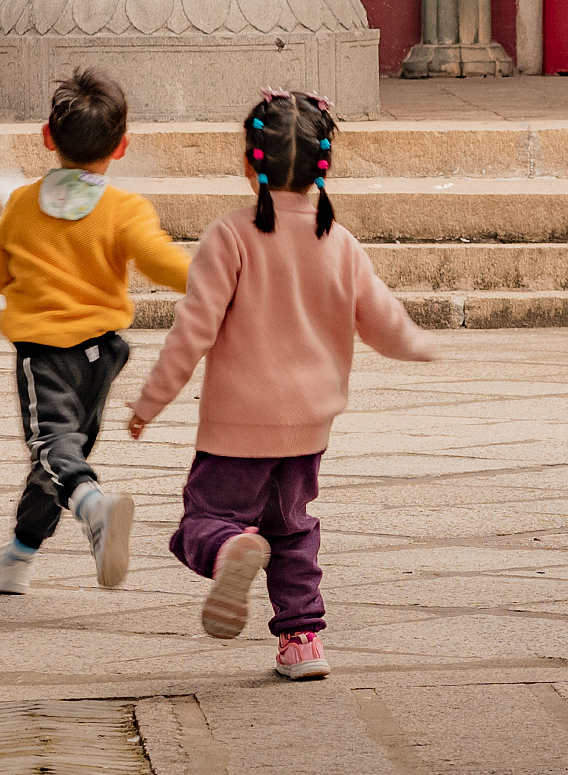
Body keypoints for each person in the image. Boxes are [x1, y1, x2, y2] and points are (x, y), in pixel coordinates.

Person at [127, 88, 437, 679]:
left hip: (236, 427)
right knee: (292, 529)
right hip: (308, 426)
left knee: (204, 520)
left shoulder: (230, 235)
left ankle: (228, 550)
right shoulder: (339, 242)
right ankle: (303, 642)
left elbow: (192, 332)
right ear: (325, 164)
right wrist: (420, 346)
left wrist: (150, 403)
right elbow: (383, 321)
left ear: (250, 163)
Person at [0, 67, 190, 596]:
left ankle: (94, 507)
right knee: (60, 457)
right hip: (103, 355)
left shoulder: (23, 205)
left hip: (43, 352)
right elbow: (163, 262)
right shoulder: (125, 210)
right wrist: (220, 278)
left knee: (52, 450)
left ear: (47, 137)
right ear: (121, 147)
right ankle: (20, 554)